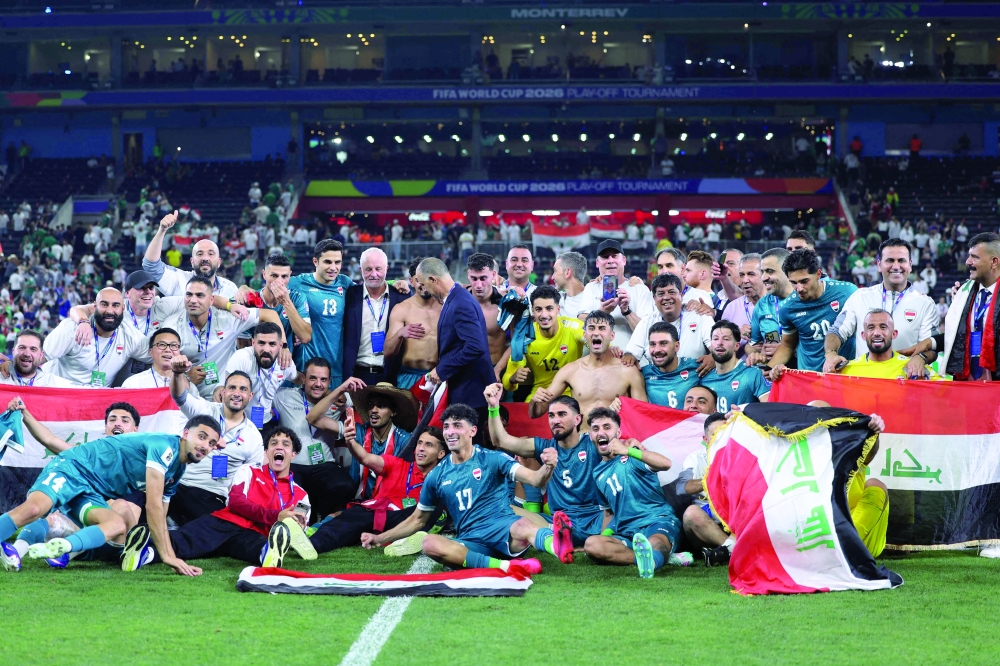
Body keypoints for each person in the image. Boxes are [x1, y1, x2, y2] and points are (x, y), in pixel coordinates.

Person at [0, 417, 222, 575]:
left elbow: (161, 516)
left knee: (116, 524)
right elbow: (153, 506)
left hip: (91, 490)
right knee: (34, 509)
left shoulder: (177, 471)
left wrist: (171, 556)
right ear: (186, 434)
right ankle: (22, 547)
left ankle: (63, 549)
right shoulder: (165, 447)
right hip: (72, 468)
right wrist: (168, 557)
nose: (205, 446)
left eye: (211, 443)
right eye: (202, 437)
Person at [359, 404, 557, 573]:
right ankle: (507, 567)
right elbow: (417, 520)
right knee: (430, 543)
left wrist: (548, 467)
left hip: (503, 531)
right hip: (471, 541)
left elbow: (535, 480)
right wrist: (380, 538)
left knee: (522, 525)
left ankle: (558, 547)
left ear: (472, 431)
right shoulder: (437, 475)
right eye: (446, 426)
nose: (450, 431)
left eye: (457, 425)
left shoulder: (492, 458)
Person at [121, 427, 316, 572]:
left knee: (256, 547)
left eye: (285, 444)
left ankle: (269, 554)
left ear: (294, 454)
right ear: (266, 452)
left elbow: (300, 526)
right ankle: (144, 554)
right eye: (273, 443)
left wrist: (297, 526)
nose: (278, 447)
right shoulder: (249, 471)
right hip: (225, 522)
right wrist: (275, 516)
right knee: (184, 540)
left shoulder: (301, 495)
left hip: (254, 534)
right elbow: (236, 502)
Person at [485, 385, 603, 561]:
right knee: (499, 508)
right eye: (551, 415)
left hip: (596, 521)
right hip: (558, 524)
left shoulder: (593, 442)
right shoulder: (544, 446)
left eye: (562, 414)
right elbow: (500, 440)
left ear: (577, 419)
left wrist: (631, 444)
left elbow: (618, 444)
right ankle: (556, 540)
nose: (555, 420)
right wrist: (493, 407)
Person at [308, 427, 446, 554]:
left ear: (441, 453)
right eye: (420, 443)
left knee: (432, 508)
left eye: (428, 445)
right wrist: (351, 442)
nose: (421, 448)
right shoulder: (396, 464)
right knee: (346, 524)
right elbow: (365, 458)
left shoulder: (440, 480)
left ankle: (403, 541)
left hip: (404, 520)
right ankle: (311, 545)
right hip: (374, 513)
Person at [582, 408, 682, 578]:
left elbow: (665, 463)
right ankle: (652, 559)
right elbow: (609, 512)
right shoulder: (597, 473)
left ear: (618, 433)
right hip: (627, 532)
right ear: (591, 435)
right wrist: (604, 538)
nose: (601, 432)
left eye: (607, 427)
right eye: (596, 429)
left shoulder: (633, 454)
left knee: (656, 541)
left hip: (657, 521)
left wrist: (629, 451)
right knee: (592, 544)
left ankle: (653, 560)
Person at [168, 360, 265, 525]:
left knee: (216, 526)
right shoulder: (205, 409)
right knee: (143, 494)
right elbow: (180, 397)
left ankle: (173, 530)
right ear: (224, 392)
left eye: (243, 389)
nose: (237, 393)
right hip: (179, 484)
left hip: (211, 494)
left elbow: (250, 480)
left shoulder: (253, 437)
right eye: (232, 388)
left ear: (250, 396)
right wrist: (177, 374)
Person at [824, 239, 938, 377]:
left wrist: (922, 357)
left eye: (901, 260)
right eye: (890, 260)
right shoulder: (860, 297)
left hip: (904, 382)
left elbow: (931, 346)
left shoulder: (925, 304)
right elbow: (836, 331)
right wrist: (830, 354)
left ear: (910, 265)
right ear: (879, 265)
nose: (896, 266)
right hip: (865, 381)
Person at [158, 276, 281, 399]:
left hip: (223, 396)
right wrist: (184, 375)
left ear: (211, 300)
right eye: (189, 295)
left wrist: (283, 347)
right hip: (188, 397)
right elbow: (161, 367)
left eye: (200, 295)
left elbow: (270, 314)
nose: (193, 300)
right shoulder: (171, 326)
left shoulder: (228, 319)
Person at [274, 359, 360, 520]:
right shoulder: (284, 396)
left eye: (323, 380)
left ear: (330, 381)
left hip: (324, 466)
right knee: (295, 501)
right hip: (293, 466)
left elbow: (362, 401)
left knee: (345, 486)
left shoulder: (340, 400)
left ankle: (324, 515)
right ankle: (310, 515)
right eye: (313, 378)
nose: (318, 384)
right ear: (303, 378)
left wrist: (333, 393)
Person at [416, 258, 495, 425]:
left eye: (424, 284)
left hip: (471, 392)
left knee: (469, 441)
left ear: (433, 280)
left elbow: (475, 347)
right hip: (466, 388)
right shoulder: (456, 298)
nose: (425, 290)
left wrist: (442, 369)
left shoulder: (460, 303)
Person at [530, 311, 646, 419]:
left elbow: (642, 415)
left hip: (617, 433)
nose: (596, 333)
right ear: (585, 335)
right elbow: (536, 413)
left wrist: (624, 409)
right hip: (582, 433)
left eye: (602, 328)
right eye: (591, 328)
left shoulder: (628, 371)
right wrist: (534, 400)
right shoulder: (570, 371)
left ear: (612, 335)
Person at [767, 249, 858, 374]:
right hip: (810, 378)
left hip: (846, 375)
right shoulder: (788, 308)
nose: (799, 288)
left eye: (804, 281)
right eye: (793, 283)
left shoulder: (847, 293)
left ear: (818, 274)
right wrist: (769, 368)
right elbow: (787, 345)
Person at [42, 287, 151, 387]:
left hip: (96, 399)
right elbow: (38, 358)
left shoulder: (129, 336)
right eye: (104, 304)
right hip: (59, 394)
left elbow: (156, 354)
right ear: (94, 307)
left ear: (123, 308)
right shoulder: (71, 328)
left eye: (115, 305)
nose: (109, 311)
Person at [288, 240, 354, 388]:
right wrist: (245, 289)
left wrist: (392, 283)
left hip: (336, 370)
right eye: (328, 262)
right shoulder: (298, 283)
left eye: (337, 262)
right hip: (307, 370)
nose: (333, 267)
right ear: (315, 261)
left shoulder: (345, 283)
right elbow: (266, 290)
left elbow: (370, 291)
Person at [503, 286, 584, 401]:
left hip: (572, 393)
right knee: (528, 411)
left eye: (549, 308)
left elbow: (597, 342)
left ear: (558, 309)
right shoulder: (524, 337)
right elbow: (507, 382)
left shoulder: (574, 327)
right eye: (538, 309)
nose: (544, 315)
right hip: (540, 394)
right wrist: (513, 378)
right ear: (533, 311)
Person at [343, 247, 411, 385]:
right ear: (361, 270)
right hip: (356, 375)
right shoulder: (349, 295)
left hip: (391, 375)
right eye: (368, 269)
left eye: (378, 269)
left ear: (386, 269)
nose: (374, 274)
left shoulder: (401, 296)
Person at [675, 412, 734, 566]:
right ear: (706, 440)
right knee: (691, 513)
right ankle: (735, 551)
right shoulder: (696, 459)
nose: (721, 439)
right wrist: (712, 480)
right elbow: (682, 487)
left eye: (725, 433)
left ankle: (723, 553)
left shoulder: (743, 456)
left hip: (735, 524)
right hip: (707, 527)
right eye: (716, 435)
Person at [340, 382, 416, 499]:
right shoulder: (357, 431)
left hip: (389, 501)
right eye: (371, 405)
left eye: (381, 406)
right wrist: (339, 390)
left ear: (393, 412)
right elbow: (315, 420)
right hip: (358, 500)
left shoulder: (405, 440)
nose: (374, 410)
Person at [623, 273, 713, 369]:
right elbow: (631, 354)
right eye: (661, 294)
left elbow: (717, 349)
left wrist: (713, 357)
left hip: (694, 375)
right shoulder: (646, 322)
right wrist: (629, 359)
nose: (666, 297)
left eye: (671, 292)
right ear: (654, 299)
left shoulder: (700, 316)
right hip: (658, 377)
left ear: (681, 295)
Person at [942, 233, 1000, 382]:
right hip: (966, 381)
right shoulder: (963, 293)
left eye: (975, 257)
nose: (968, 262)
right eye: (969, 256)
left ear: (994, 262)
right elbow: (953, 335)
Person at [574, 240, 655, 344]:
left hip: (629, 353)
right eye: (605, 257)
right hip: (598, 353)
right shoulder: (591, 287)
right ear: (597, 263)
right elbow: (580, 322)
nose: (610, 261)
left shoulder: (639, 289)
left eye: (614, 256)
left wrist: (626, 311)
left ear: (624, 260)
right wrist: (603, 311)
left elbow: (648, 332)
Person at [143, 212, 238, 300]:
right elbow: (151, 266)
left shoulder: (230, 289)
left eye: (211, 254)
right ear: (192, 262)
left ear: (219, 262)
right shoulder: (179, 281)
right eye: (200, 254)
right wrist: (162, 230)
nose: (205, 258)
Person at [826, 309, 943, 380]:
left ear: (894, 334)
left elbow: (946, 393)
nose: (877, 333)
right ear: (863, 335)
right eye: (871, 328)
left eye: (883, 327)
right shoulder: (846, 371)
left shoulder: (914, 368)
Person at [223, 322, 296, 426]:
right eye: (261, 343)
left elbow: (297, 379)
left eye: (272, 344)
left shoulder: (284, 362)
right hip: (239, 422)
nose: (266, 349)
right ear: (253, 343)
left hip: (266, 421)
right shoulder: (241, 358)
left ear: (280, 346)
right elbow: (227, 391)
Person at [385, 257, 442, 389]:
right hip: (409, 376)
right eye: (418, 280)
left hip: (439, 375)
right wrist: (400, 333)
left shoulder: (446, 307)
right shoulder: (402, 309)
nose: (423, 284)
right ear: (411, 281)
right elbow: (387, 352)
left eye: (427, 279)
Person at [239, 253, 312, 348]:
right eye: (274, 276)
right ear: (264, 274)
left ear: (290, 275)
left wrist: (286, 302)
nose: (279, 282)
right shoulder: (251, 299)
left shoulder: (297, 297)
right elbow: (243, 345)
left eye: (284, 276)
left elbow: (305, 337)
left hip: (292, 357)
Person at [698, 321, 771, 413]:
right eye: (715, 339)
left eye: (726, 339)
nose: (719, 343)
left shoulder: (753, 373)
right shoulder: (705, 381)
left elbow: (770, 410)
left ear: (736, 346)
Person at [745, 248, 793, 367]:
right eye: (762, 272)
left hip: (802, 372)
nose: (764, 278)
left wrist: (787, 348)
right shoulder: (762, 304)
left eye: (770, 271)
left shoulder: (803, 299)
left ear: (787, 271)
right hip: (772, 373)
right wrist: (755, 355)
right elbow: (752, 345)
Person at [638, 322, 703, 409]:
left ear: (677, 346)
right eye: (653, 344)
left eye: (663, 343)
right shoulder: (642, 374)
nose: (657, 350)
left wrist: (712, 359)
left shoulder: (697, 367)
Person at [466, 252, 508, 372]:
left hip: (495, 367)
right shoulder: (458, 301)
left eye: (483, 278)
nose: (478, 285)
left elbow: (516, 341)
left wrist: (498, 370)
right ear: (468, 275)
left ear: (493, 274)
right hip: (465, 370)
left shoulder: (506, 302)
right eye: (474, 278)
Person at [0, 330, 74, 387]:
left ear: (41, 355)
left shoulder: (55, 384)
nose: (27, 354)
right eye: (22, 348)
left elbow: (80, 394)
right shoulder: (2, 379)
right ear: (13, 352)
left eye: (33, 349)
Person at [720, 253, 765, 347]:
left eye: (751, 274)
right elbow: (720, 345)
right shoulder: (731, 308)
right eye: (741, 275)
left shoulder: (777, 303)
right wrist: (735, 335)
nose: (745, 280)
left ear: (764, 275)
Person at [552, 251, 587, 323]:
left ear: (567, 272)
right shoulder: (555, 299)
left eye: (555, 271)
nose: (552, 277)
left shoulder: (593, 300)